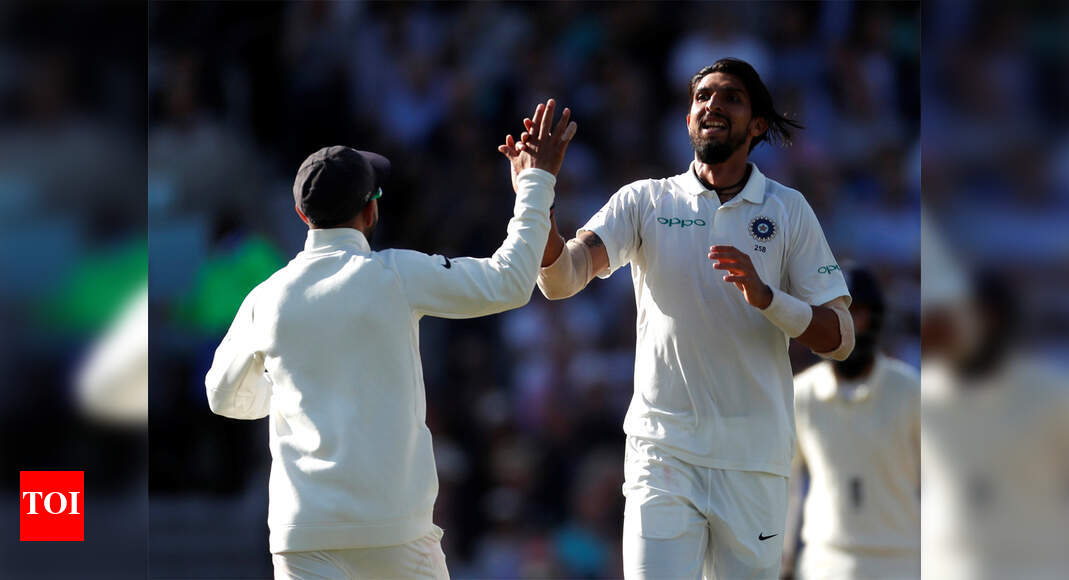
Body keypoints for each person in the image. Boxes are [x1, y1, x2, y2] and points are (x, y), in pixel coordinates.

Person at [504, 58, 854, 579]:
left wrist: (768, 299)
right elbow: (561, 279)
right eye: (702, 97)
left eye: (731, 97)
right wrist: (539, 198)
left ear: (758, 124)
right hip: (663, 453)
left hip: (754, 460)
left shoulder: (788, 210)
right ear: (688, 119)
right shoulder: (644, 200)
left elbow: (841, 338)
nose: (712, 105)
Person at [205, 99, 577, 579]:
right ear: (371, 210)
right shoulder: (396, 275)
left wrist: (286, 390)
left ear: (300, 214)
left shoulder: (265, 297)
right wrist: (535, 183)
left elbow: (221, 396)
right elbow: (511, 281)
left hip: (302, 534)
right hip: (394, 532)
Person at [781, 267, 920, 579]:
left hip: (900, 560)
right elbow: (787, 487)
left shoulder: (910, 391)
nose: (849, 325)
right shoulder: (803, 394)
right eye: (837, 314)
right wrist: (783, 560)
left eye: (857, 314)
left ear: (875, 319)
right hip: (824, 561)